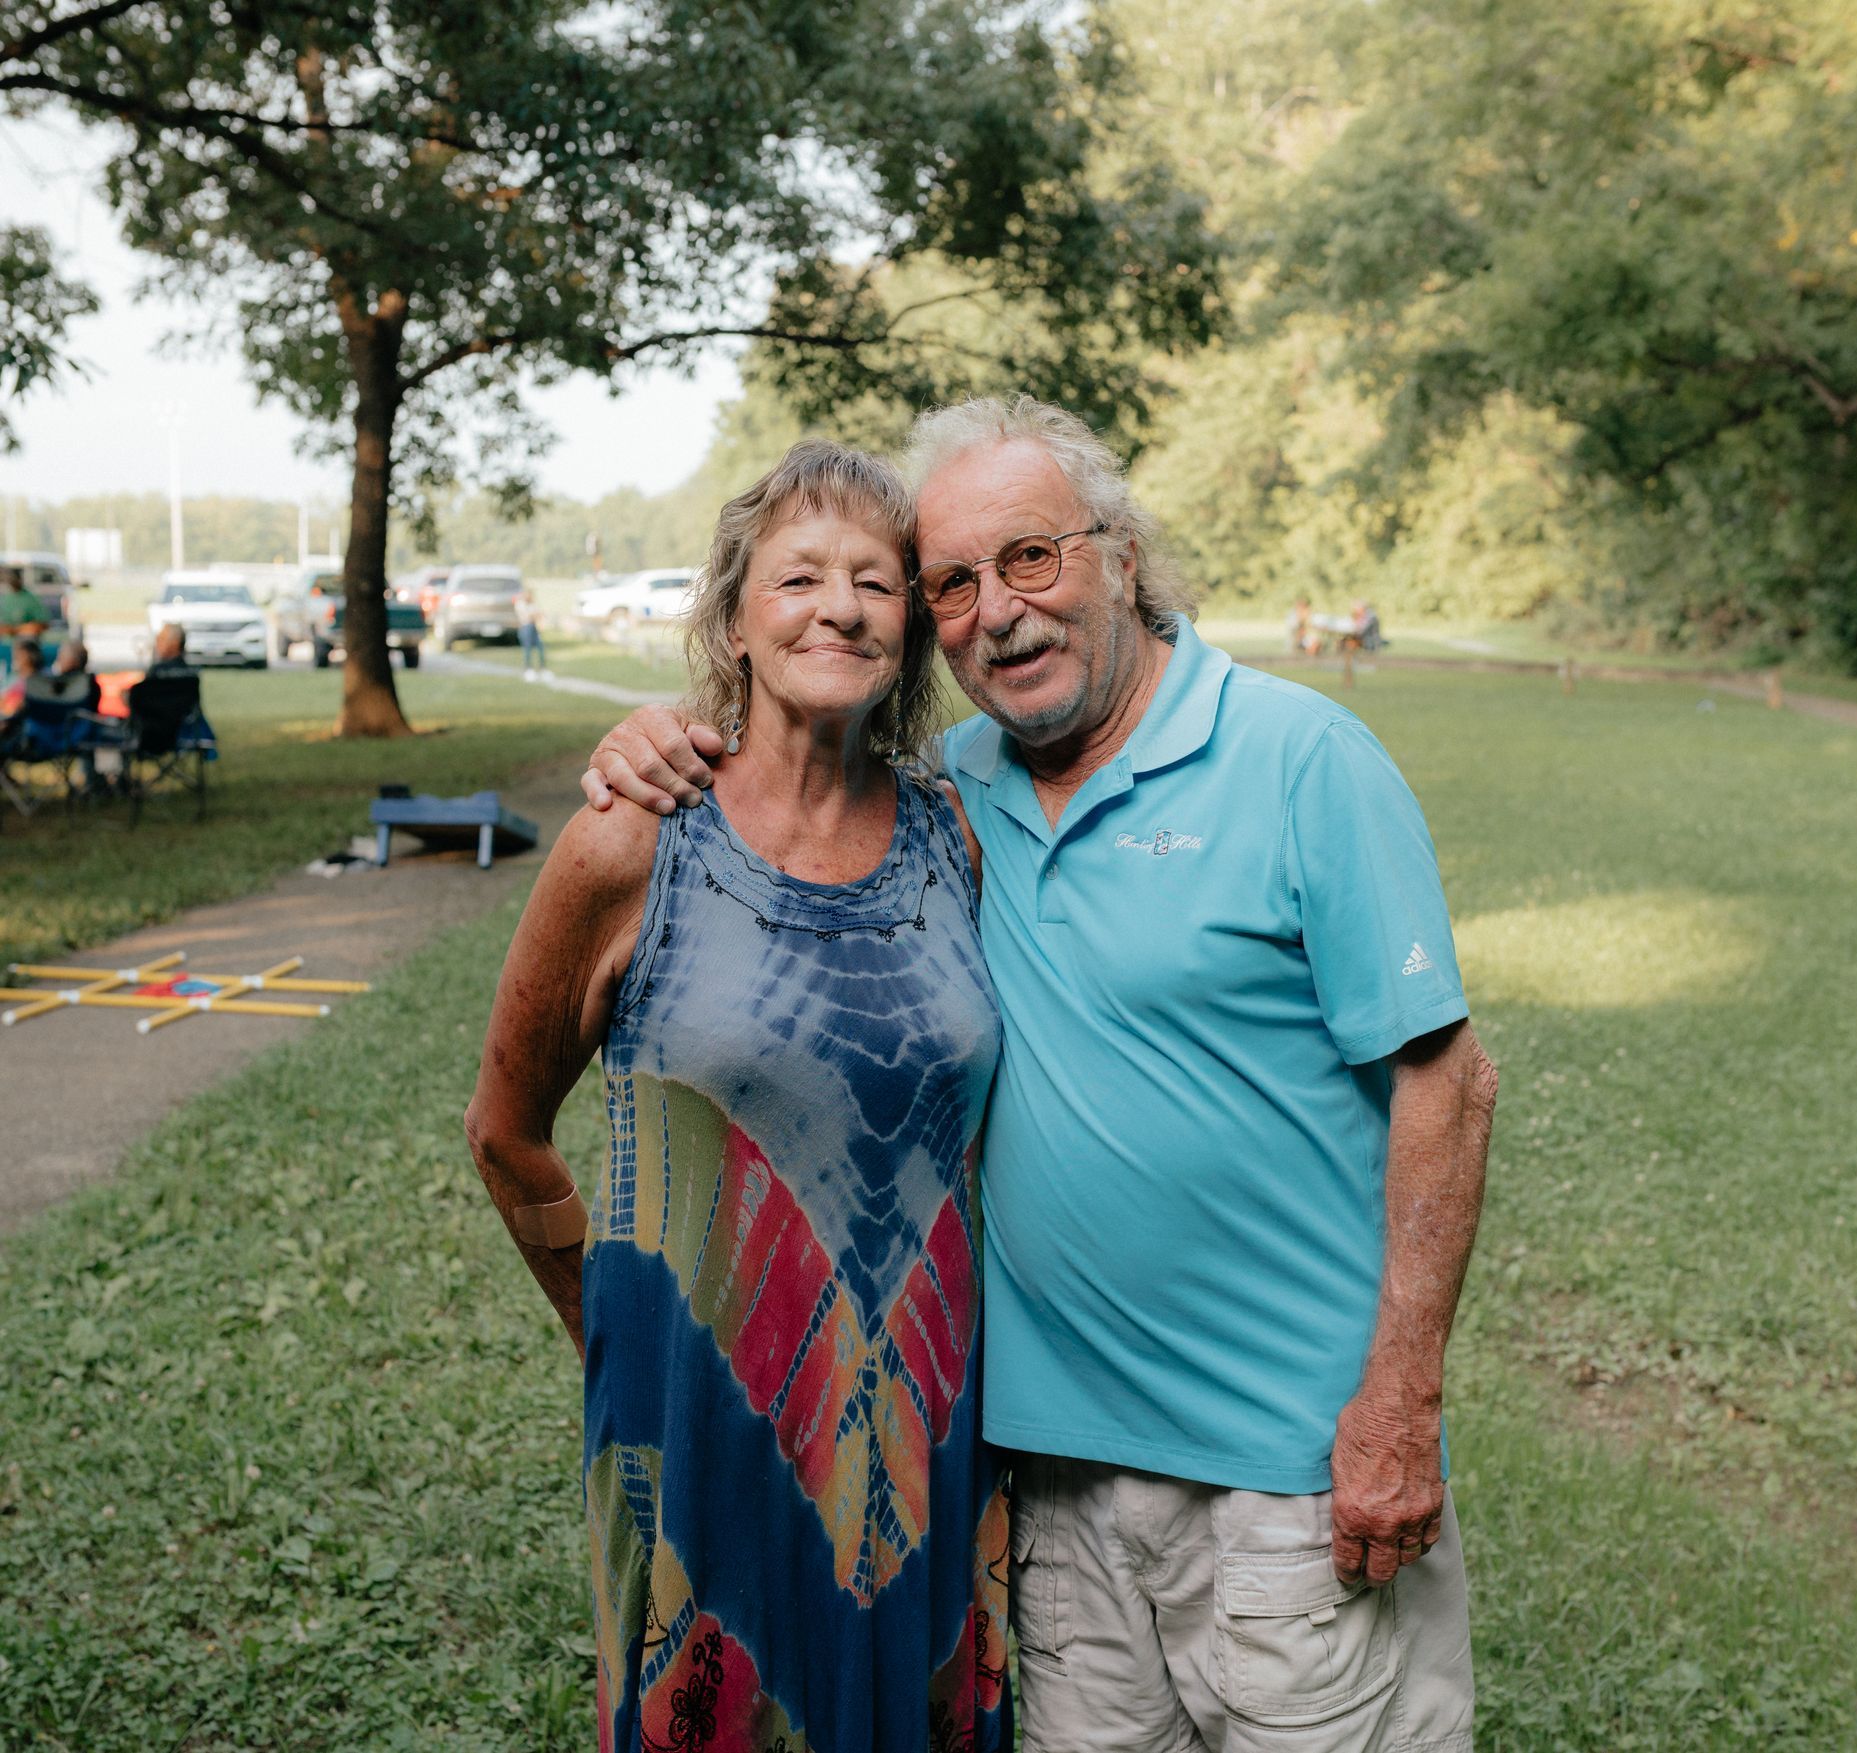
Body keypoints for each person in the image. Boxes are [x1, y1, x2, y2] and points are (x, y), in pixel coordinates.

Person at [582, 396, 1498, 1752]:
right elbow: (787, 780)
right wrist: (656, 736)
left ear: (1121, 556)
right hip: (1047, 1487)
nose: (999, 610)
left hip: (1292, 1484)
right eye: (951, 581)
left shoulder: (1301, 759)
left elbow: (1450, 1085)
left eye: (1034, 557)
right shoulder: (949, 798)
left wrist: (1398, 1411)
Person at [464, 440, 1010, 1752]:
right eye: (800, 578)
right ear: (733, 620)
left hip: (933, 1435)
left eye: (876, 582)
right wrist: (614, 1332)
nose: (840, 607)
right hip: (699, 1426)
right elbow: (505, 1132)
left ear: (912, 629)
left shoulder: (959, 839)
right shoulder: (633, 842)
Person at [515, 591, 550, 678]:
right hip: (525, 628)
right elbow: (529, 616)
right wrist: (536, 615)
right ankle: (527, 669)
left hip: (534, 628)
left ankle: (543, 669)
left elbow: (540, 614)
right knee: (527, 649)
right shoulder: (520, 604)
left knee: (541, 647)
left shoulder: (533, 605)